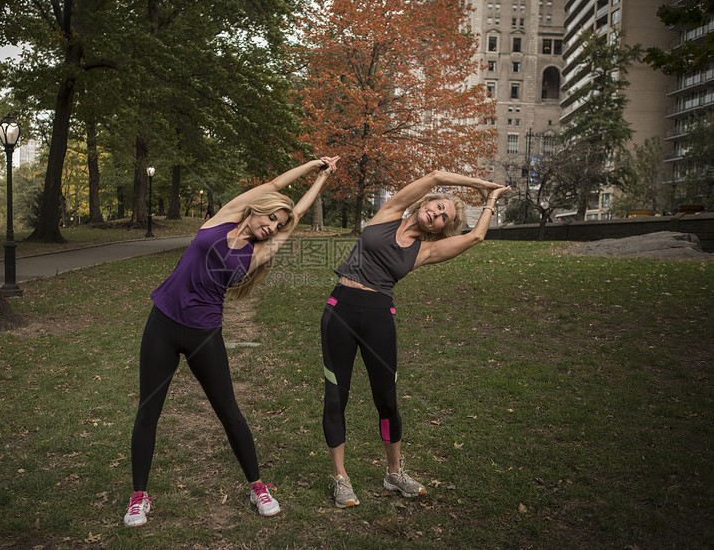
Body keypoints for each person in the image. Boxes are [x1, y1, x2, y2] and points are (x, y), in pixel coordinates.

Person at [125, 156, 340, 528]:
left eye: (278, 225)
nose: (271, 227)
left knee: (229, 412)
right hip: (162, 322)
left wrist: (322, 181)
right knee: (148, 411)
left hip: (204, 334)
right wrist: (312, 165)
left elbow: (298, 214)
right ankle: (139, 496)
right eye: (271, 218)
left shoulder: (259, 252)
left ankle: (258, 486)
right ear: (256, 211)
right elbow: (274, 185)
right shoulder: (223, 216)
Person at [321, 170, 510, 509]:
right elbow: (436, 176)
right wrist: (480, 185)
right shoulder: (389, 212)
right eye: (437, 207)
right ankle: (340, 477)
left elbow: (475, 238)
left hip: (379, 317)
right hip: (340, 311)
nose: (436, 215)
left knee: (387, 399)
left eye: (443, 219)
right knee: (336, 396)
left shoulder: (423, 252)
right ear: (426, 202)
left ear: (441, 228)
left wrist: (491, 202)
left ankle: (394, 474)